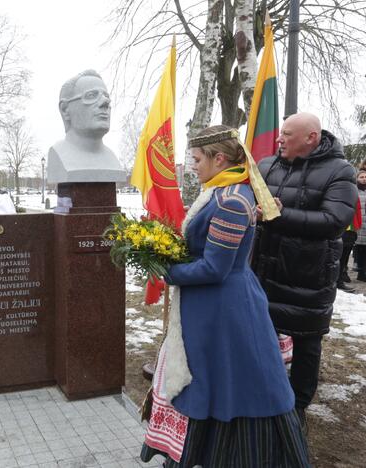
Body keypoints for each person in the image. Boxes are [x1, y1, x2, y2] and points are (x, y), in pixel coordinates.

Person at [140, 125, 309, 467]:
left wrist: (167, 271)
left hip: (226, 309)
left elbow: (214, 269)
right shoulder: (220, 190)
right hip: (212, 307)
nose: (194, 165)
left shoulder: (231, 200)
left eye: (198, 159)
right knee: (215, 384)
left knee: (233, 385)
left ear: (219, 158)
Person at [251, 112, 357, 431]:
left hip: (309, 278)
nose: (279, 139)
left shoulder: (340, 171)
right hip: (263, 273)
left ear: (311, 138)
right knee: (261, 338)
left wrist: (278, 217)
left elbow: (334, 221)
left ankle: (297, 409)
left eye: (287, 135)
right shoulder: (267, 165)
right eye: (280, 134)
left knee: (307, 344)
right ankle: (261, 396)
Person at [46, 69, 126, 184]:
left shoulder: (112, 159)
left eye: (106, 96)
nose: (105, 102)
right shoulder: (59, 154)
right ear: (65, 110)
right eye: (91, 95)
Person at [352, 170, 366, 283]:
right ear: (357, 178)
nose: (364, 179)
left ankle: (362, 273)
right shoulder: (353, 190)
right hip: (357, 222)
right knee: (358, 249)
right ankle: (346, 271)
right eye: (361, 177)